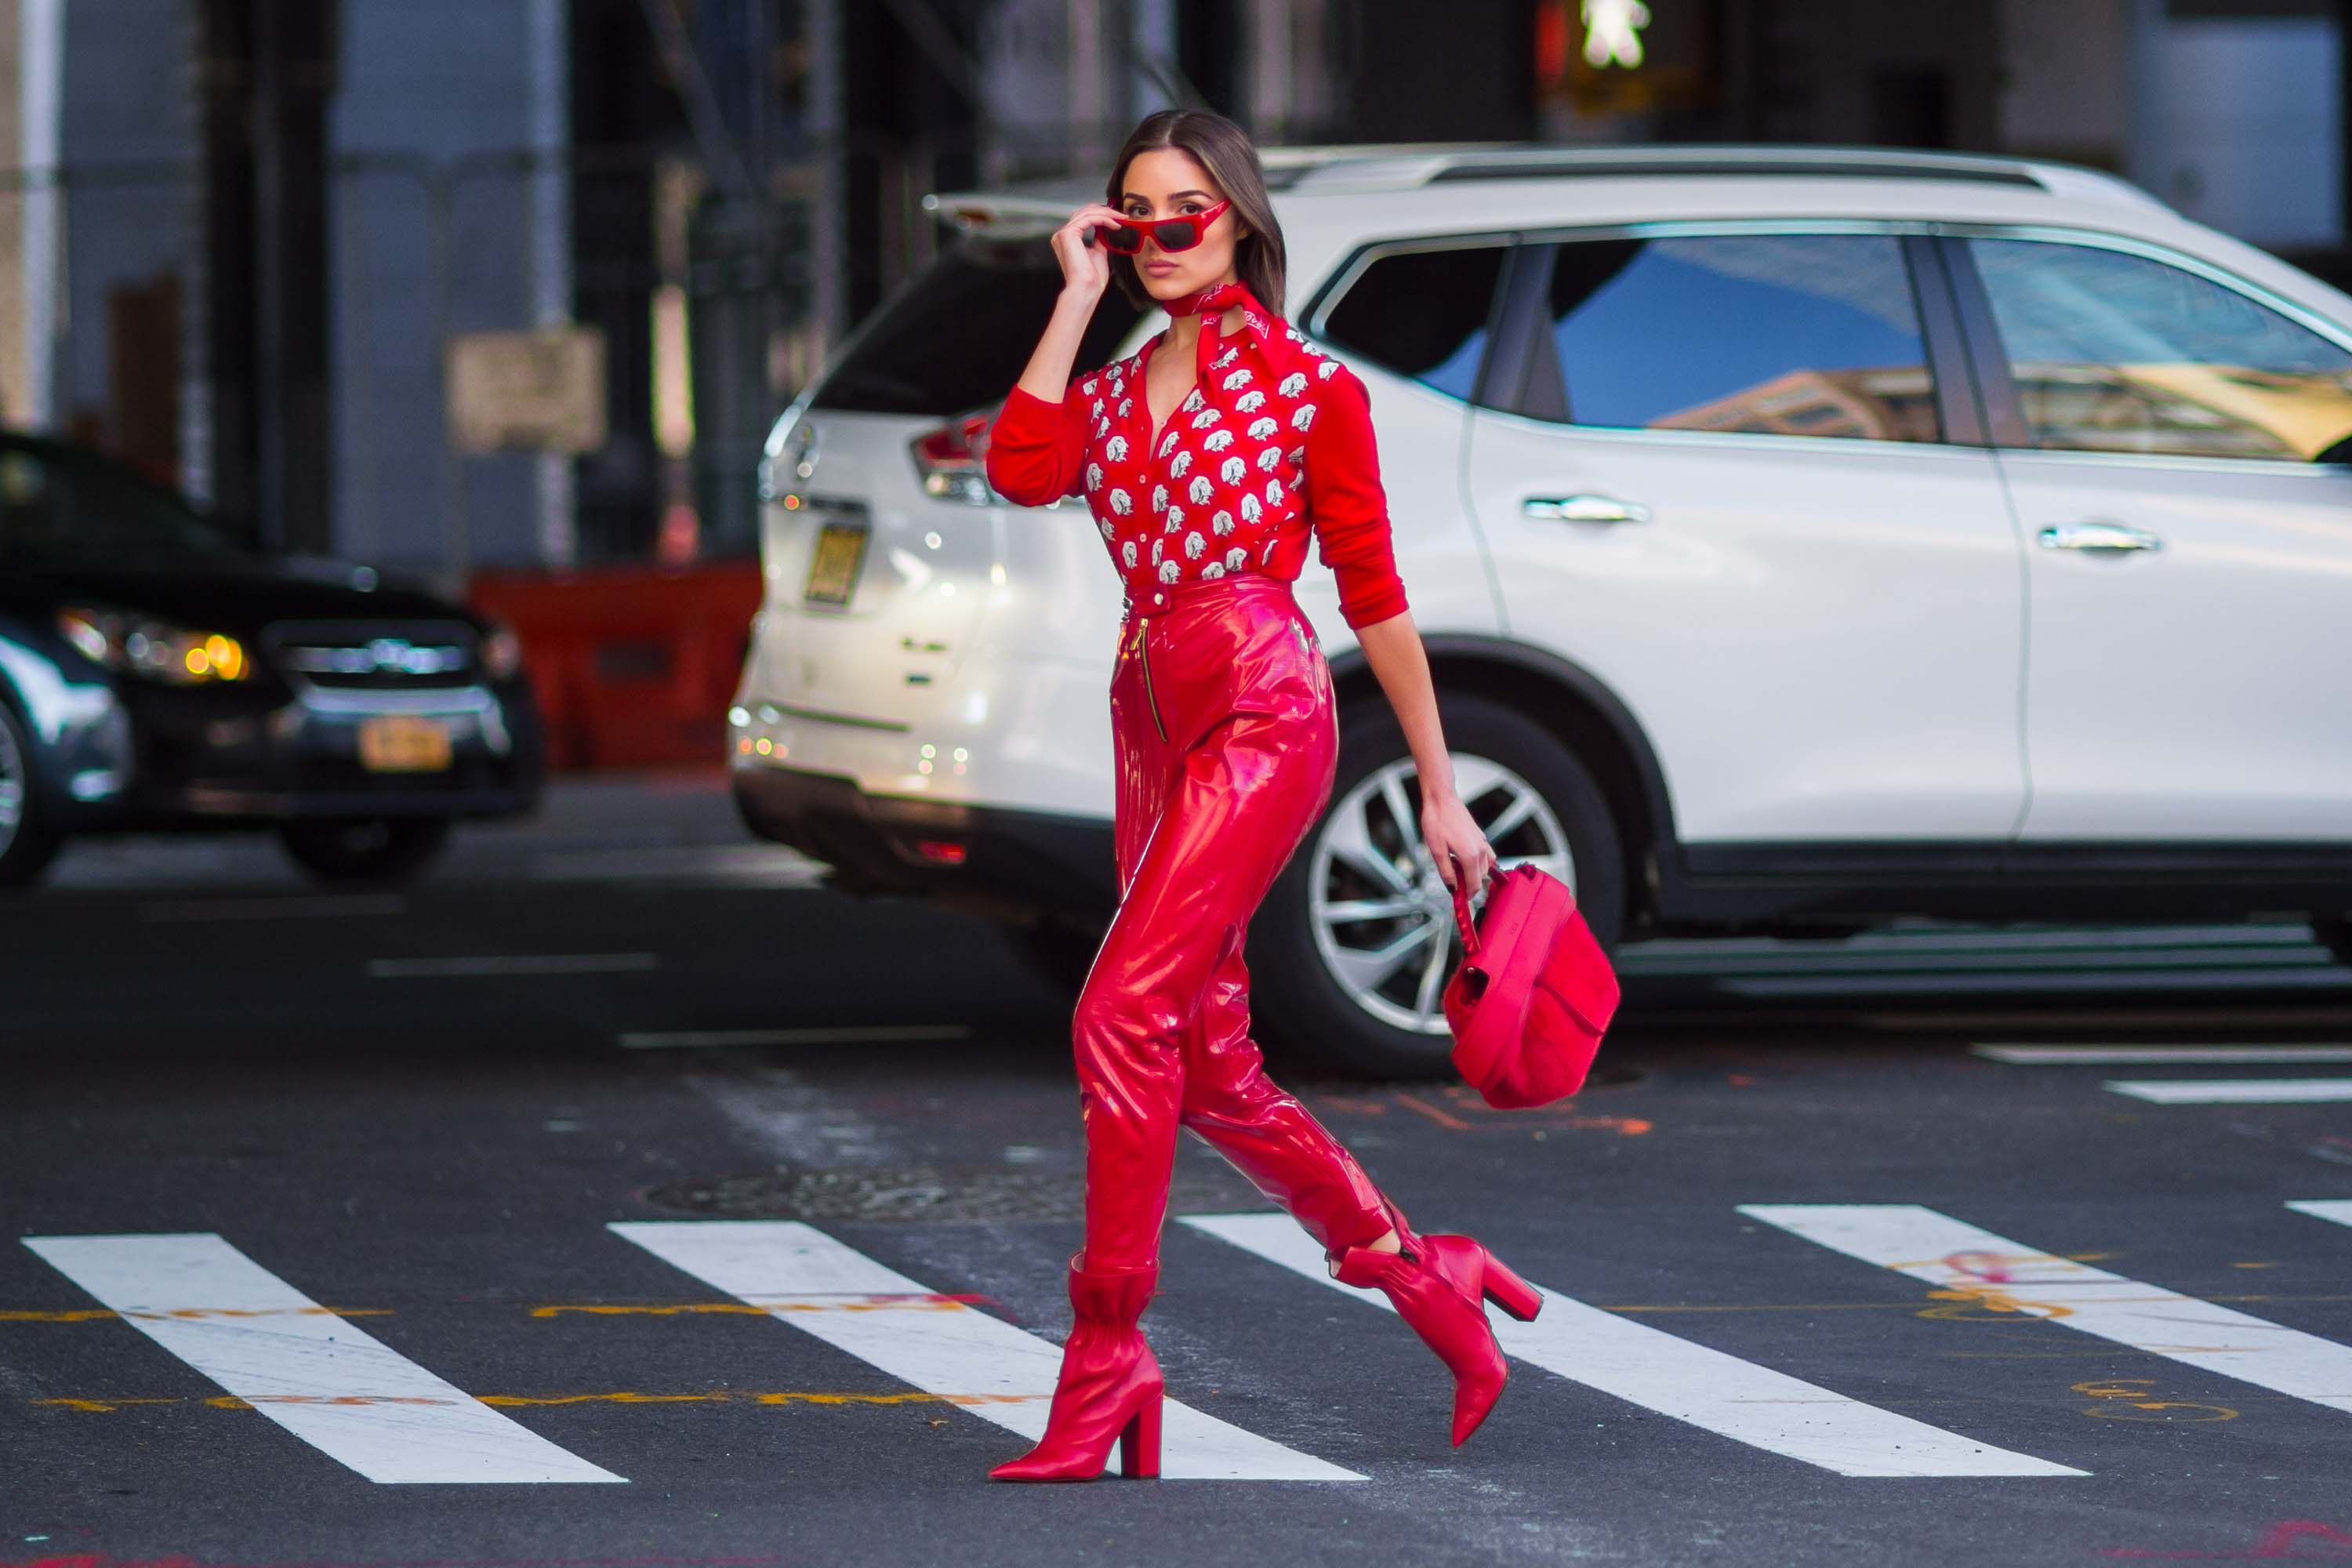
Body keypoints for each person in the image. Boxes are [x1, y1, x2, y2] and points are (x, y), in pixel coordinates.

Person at [981, 108, 1541, 1484]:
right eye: (1133, 217)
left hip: (1263, 705)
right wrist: (1071, 296)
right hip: (1149, 716)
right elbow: (1019, 469)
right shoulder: (1107, 390)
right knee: (1210, 1062)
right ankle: (1424, 1275)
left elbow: (1377, 599)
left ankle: (1106, 1353)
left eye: (1185, 214)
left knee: (1118, 1011)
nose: (1159, 240)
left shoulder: (1309, 387)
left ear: (1238, 219)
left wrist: (1439, 788)